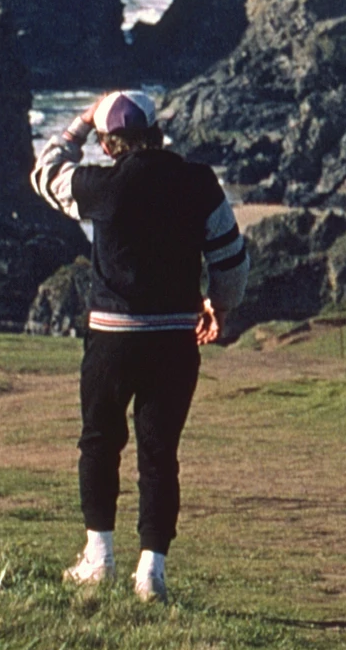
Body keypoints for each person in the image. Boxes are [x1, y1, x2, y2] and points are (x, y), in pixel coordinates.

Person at [31, 89, 248, 603]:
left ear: (108, 145)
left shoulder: (101, 186)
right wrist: (219, 306)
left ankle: (99, 557)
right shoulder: (198, 182)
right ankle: (152, 571)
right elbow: (230, 257)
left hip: (112, 337)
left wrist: (82, 121)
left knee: (99, 442)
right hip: (174, 338)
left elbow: (45, 173)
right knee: (159, 452)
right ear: (156, 131)